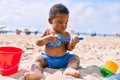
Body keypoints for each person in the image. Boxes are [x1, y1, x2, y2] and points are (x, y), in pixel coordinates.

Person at [21, 3, 80, 80]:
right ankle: (36, 72)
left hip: (63, 59)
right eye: (60, 22)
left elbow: (68, 48)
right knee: (37, 59)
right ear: (50, 20)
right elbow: (38, 42)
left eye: (66, 22)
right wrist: (47, 38)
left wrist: (72, 44)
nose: (64, 25)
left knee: (75, 58)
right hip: (47, 59)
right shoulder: (47, 32)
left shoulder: (66, 34)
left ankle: (69, 69)